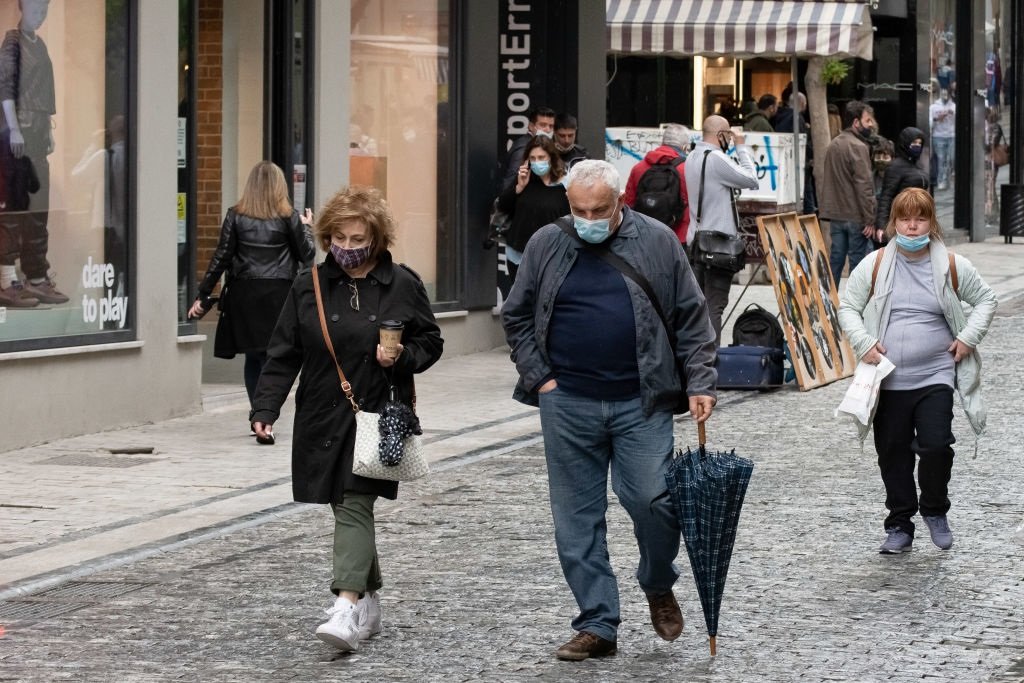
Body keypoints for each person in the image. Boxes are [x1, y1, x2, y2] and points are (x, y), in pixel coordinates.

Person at [502, 159, 717, 661]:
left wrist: (701, 380)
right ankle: (597, 621)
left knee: (654, 500)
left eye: (599, 209)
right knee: (575, 518)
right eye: (579, 209)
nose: (589, 218)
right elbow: (515, 315)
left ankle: (658, 581)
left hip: (640, 400)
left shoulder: (658, 241)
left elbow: (691, 314)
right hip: (568, 400)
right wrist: (542, 379)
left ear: (620, 201)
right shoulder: (547, 243)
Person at [250, 185, 443, 652]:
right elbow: (283, 352)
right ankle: (369, 598)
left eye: (358, 238)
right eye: (339, 236)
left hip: (376, 413)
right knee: (344, 504)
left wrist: (398, 359)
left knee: (354, 504)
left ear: (376, 238)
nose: (348, 247)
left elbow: (431, 342)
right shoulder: (309, 285)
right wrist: (265, 408)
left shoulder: (403, 284)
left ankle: (345, 605)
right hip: (321, 411)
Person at [837, 188, 996, 554]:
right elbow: (848, 307)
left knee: (937, 445)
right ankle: (899, 526)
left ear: (931, 222)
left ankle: (935, 510)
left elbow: (987, 299)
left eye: (920, 218)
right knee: (893, 452)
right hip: (888, 379)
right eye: (905, 219)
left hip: (935, 375)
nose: (912, 227)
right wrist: (864, 343)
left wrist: (968, 338)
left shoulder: (952, 265)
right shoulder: (875, 264)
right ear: (893, 223)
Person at [187, 161, 315, 427]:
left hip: (245, 294)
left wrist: (202, 294)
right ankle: (264, 415)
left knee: (254, 357)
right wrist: (307, 228)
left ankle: (258, 413)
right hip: (279, 293)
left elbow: (221, 257)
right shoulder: (289, 216)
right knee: (273, 355)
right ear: (280, 186)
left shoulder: (236, 215)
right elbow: (307, 256)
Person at [0, 0, 67, 308]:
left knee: (38, 210)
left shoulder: (39, 45)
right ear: (21, 8)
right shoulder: (12, 42)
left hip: (38, 135)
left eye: (45, 9)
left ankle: (36, 278)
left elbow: (44, 90)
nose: (40, 15)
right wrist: (13, 128)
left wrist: (49, 131)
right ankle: (6, 280)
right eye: (35, 8)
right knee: (14, 211)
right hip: (18, 137)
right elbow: (6, 87)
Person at [684, 115, 759, 345]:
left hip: (696, 242)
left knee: (702, 306)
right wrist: (741, 146)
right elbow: (751, 179)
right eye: (727, 135)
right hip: (718, 247)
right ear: (720, 135)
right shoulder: (716, 158)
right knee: (715, 305)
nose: (729, 138)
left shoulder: (692, 157)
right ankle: (710, 362)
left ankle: (698, 359)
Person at [819, 100, 877, 288]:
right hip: (855, 216)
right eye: (868, 120)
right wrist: (870, 218)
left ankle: (830, 303)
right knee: (857, 263)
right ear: (855, 122)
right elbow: (864, 185)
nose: (871, 124)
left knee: (836, 259)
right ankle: (853, 307)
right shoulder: (858, 147)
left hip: (836, 215)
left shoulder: (833, 145)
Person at [496, 135, 570, 281]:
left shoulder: (565, 185)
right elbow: (503, 206)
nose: (537, 162)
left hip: (551, 257)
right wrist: (518, 187)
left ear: (552, 157)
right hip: (519, 254)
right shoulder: (525, 180)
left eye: (542, 157)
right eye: (533, 158)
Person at [623, 123, 691, 246]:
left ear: (662, 142)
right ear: (685, 147)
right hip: (678, 238)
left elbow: (628, 205)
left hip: (644, 237)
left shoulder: (638, 168)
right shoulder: (687, 169)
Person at [874, 127, 929, 245]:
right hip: (902, 219)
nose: (917, 146)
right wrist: (882, 226)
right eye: (914, 143)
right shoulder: (895, 167)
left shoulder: (917, 165)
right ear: (906, 143)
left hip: (919, 217)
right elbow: (886, 196)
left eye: (920, 143)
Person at [501, 105, 556, 191]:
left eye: (551, 126)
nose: (548, 130)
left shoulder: (540, 145)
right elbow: (511, 181)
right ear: (531, 126)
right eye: (543, 125)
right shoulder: (524, 148)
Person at [929, 89, 955, 190]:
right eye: (943, 93)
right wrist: (937, 118)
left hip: (951, 135)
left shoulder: (954, 106)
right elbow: (930, 123)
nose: (945, 96)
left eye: (947, 93)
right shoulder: (933, 107)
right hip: (938, 136)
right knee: (941, 159)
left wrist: (952, 114)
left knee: (951, 159)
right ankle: (941, 181)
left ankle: (946, 178)